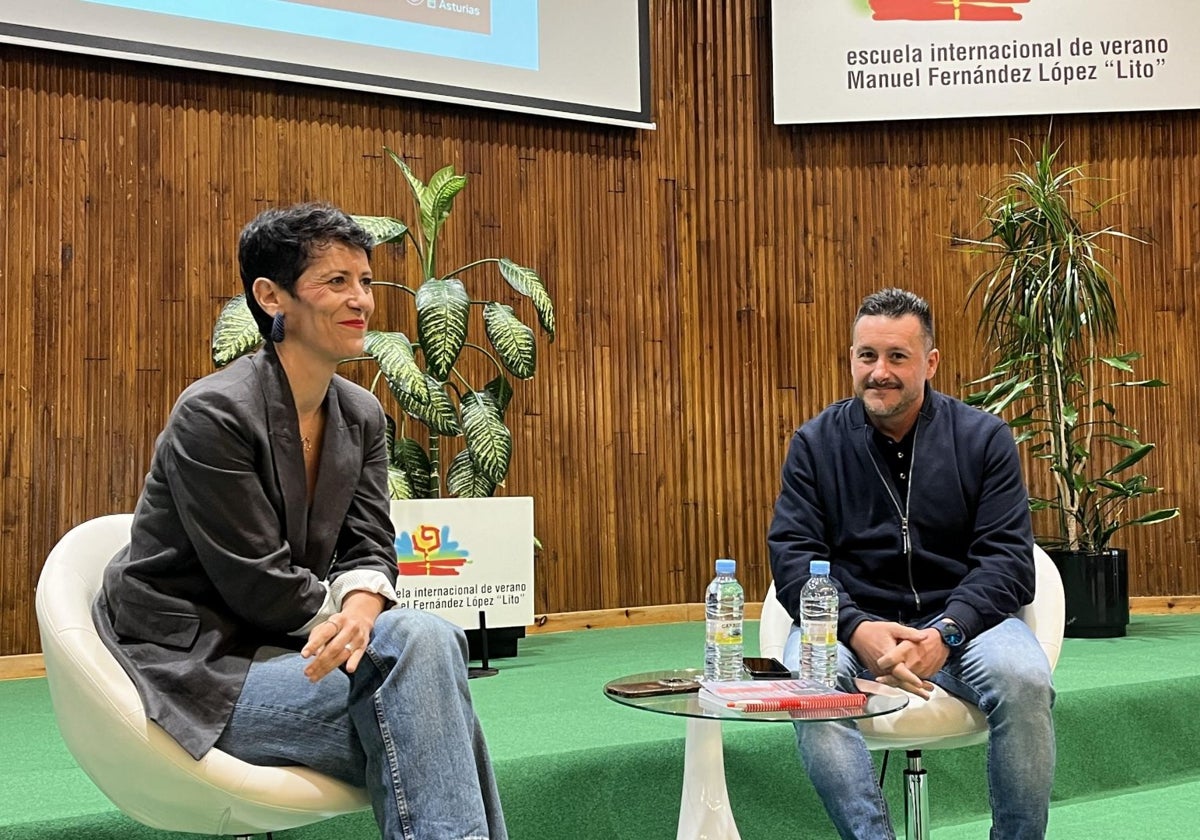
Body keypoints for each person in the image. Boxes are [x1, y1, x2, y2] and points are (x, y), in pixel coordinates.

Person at [93, 203, 507, 840]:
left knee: (426, 673)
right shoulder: (213, 414)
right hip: (201, 669)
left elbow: (368, 541)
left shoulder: (363, 413)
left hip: (297, 650)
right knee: (428, 675)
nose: (362, 300)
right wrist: (359, 626)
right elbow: (257, 583)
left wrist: (363, 613)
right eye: (335, 281)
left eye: (365, 281)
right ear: (270, 296)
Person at [767, 288, 1054, 839]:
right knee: (811, 684)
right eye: (866, 355)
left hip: (967, 624)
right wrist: (859, 629)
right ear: (851, 358)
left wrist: (946, 632)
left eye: (897, 356)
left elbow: (1009, 562)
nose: (880, 372)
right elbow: (795, 557)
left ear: (930, 361)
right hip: (854, 624)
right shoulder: (815, 444)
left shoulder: (984, 439)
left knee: (1023, 679)